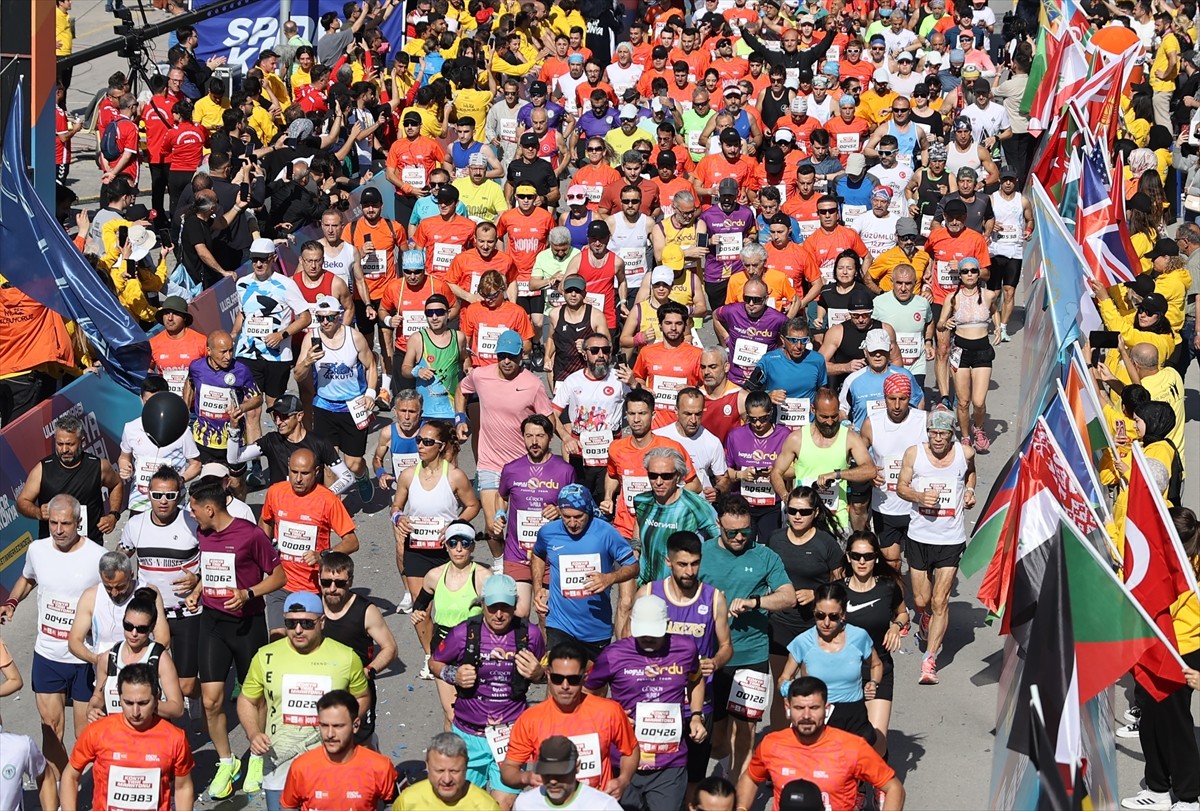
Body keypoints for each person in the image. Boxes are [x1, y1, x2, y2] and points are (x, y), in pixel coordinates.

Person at [184, 477, 284, 799]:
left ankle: (256, 754)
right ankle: (227, 762)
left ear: (210, 508)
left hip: (247, 624)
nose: (191, 513)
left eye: (194, 508)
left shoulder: (250, 535)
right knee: (211, 699)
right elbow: (212, 567)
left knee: (255, 698)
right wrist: (198, 588)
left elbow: (279, 576)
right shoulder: (203, 532)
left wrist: (247, 593)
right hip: (212, 622)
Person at [0, 495, 104, 781]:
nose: (58, 530)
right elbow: (28, 578)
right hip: (47, 654)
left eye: (65, 524)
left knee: (86, 734)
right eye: (53, 523)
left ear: (78, 523)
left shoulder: (96, 556)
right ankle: (62, 790)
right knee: (50, 727)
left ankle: (85, 782)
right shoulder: (38, 550)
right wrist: (11, 602)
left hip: (83, 656)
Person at [237, 591, 370, 807]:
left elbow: (361, 696)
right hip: (280, 757)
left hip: (329, 756)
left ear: (322, 622)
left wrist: (348, 724)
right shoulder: (265, 656)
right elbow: (247, 699)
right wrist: (253, 733)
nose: (298, 630)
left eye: (307, 624)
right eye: (291, 624)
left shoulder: (346, 657)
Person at [699, 495, 797, 780]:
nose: (740, 537)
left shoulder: (765, 556)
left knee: (746, 730)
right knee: (717, 740)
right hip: (711, 658)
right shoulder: (702, 555)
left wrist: (755, 602)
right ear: (718, 525)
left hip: (751, 656)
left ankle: (736, 794)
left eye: (746, 531)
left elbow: (788, 596)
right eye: (732, 532)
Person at [430, 572, 546, 808]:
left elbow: (550, 675)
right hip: (468, 734)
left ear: (515, 606)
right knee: (462, 804)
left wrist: (539, 675)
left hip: (511, 734)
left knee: (501, 805)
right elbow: (435, 663)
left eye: (505, 607)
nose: (499, 614)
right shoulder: (463, 633)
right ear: (482, 604)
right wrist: (454, 675)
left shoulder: (530, 635)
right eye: (493, 607)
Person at [584, 594, 705, 811]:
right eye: (643, 633)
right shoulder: (614, 654)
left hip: (670, 762)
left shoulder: (686, 649)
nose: (648, 638)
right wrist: (612, 717)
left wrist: (696, 715)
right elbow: (587, 694)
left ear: (667, 625)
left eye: (654, 633)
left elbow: (696, 680)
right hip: (622, 761)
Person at [392, 420, 481, 678]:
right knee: (421, 610)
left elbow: (472, 505)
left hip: (447, 550)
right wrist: (399, 519)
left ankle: (450, 652)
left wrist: (455, 526)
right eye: (419, 440)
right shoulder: (409, 474)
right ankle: (430, 656)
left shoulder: (453, 475)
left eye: (427, 442)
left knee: (446, 607)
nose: (420, 445)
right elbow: (396, 507)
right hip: (417, 549)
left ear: (441, 447)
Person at [457, 330, 553, 568]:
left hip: (522, 465)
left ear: (521, 355)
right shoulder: (481, 376)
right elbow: (462, 390)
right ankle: (500, 564)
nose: (507, 361)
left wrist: (566, 441)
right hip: (490, 464)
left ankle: (530, 563)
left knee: (524, 522)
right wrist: (460, 417)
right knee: (492, 524)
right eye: (502, 355)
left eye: (512, 356)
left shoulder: (533, 384)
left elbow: (548, 420)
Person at [895, 408, 976, 686]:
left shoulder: (964, 454)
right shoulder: (914, 454)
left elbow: (970, 475)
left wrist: (969, 492)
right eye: (933, 433)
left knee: (941, 600)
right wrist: (919, 496)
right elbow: (900, 487)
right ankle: (926, 617)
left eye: (942, 434)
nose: (937, 439)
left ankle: (929, 659)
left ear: (952, 434)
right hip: (919, 536)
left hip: (950, 539)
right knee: (921, 601)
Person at [737, 676, 904, 811]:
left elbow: (894, 788)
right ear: (788, 708)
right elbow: (751, 777)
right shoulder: (772, 744)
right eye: (799, 708)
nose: (806, 716)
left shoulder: (852, 747)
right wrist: (742, 808)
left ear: (826, 709)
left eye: (814, 708)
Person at [501, 642, 638, 797]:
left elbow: (630, 749)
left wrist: (623, 780)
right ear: (548, 675)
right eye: (557, 678)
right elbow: (509, 768)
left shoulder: (609, 711)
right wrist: (526, 777)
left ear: (584, 678)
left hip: (596, 803)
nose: (565, 686)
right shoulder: (530, 719)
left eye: (572, 680)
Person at [762, 486, 844, 728]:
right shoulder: (776, 539)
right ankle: (778, 745)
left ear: (816, 513)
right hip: (779, 624)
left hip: (813, 628)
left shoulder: (826, 543)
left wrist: (816, 594)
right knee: (781, 690)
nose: (797, 516)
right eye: (792, 510)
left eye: (804, 512)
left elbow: (840, 586)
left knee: (809, 694)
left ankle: (811, 743)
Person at [61, 664, 196, 811]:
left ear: (157, 698)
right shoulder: (97, 732)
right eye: (128, 703)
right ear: (119, 697)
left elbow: (183, 787)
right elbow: (70, 776)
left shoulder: (175, 738)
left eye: (143, 703)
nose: (136, 712)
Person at [531, 484, 640, 658]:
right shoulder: (548, 532)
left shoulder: (606, 532)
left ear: (588, 510)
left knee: (593, 684)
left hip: (595, 626)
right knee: (558, 680)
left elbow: (633, 567)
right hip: (559, 623)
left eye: (578, 517)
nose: (572, 523)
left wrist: (609, 578)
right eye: (566, 517)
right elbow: (537, 554)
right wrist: (537, 588)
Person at [294, 294, 380, 502]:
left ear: (339, 317)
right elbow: (297, 374)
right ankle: (332, 506)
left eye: (330, 318)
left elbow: (371, 366)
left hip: (352, 407)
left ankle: (361, 477)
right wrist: (307, 361)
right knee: (328, 463)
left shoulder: (354, 337)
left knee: (353, 463)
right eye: (321, 318)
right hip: (324, 406)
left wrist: (370, 393)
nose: (325, 323)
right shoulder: (311, 339)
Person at [777, 583, 883, 746]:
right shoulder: (803, 642)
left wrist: (873, 683)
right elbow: (784, 678)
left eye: (833, 616)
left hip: (853, 715)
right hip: (818, 715)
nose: (826, 622)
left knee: (856, 766)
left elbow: (876, 664)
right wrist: (790, 690)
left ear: (843, 615)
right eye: (820, 615)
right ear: (814, 612)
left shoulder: (858, 637)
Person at [260, 448, 359, 621]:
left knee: (306, 639)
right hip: (279, 583)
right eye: (294, 472)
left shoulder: (327, 500)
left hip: (312, 587)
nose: (298, 479)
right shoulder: (275, 492)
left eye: (305, 473)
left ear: (317, 472)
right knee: (278, 638)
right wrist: (265, 550)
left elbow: (352, 542)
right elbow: (265, 521)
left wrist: (323, 556)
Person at [412, 520, 491, 730]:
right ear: (445, 545)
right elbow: (420, 605)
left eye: (464, 543)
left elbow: (500, 613)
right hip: (444, 649)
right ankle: (451, 760)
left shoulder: (483, 577)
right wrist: (418, 616)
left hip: (474, 648)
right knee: (451, 713)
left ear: (472, 546)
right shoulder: (434, 576)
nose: (458, 549)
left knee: (474, 710)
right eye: (453, 542)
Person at [494, 416, 575, 616]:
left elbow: (575, 509)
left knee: (544, 613)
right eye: (529, 436)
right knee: (518, 614)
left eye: (540, 436)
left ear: (550, 438)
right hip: (517, 553)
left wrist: (559, 511)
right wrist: (499, 514)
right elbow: (501, 496)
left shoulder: (565, 471)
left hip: (551, 555)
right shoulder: (511, 469)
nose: (534, 441)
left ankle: (545, 649)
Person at [771, 387, 877, 532]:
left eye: (834, 416)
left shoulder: (849, 437)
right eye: (824, 417)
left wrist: (837, 474)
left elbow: (870, 470)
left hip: (836, 519)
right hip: (802, 519)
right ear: (813, 410)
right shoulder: (797, 438)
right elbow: (776, 472)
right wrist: (785, 496)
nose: (830, 422)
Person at [843, 531, 909, 755]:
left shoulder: (888, 588)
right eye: (857, 556)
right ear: (848, 557)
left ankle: (880, 783)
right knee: (849, 740)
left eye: (868, 556)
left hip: (879, 669)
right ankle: (858, 787)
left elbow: (902, 614)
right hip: (843, 673)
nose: (862, 561)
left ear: (877, 558)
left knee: (876, 740)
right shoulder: (836, 591)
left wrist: (896, 626)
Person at [279, 689, 399, 810]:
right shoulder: (301, 767)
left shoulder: (380, 767)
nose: (330, 734)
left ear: (355, 725)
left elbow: (396, 804)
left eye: (338, 726)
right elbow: (289, 807)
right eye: (324, 725)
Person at [17, 413, 124, 544]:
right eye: (60, 444)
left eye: (70, 444)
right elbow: (23, 501)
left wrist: (113, 515)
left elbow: (117, 484)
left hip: (89, 545)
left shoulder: (98, 466)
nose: (64, 449)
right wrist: (38, 512)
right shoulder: (42, 469)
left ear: (82, 442)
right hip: (53, 547)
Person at [183, 330, 262, 499]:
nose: (228, 356)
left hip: (233, 440)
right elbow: (189, 383)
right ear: (209, 351)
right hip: (204, 439)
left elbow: (257, 398)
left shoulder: (241, 370)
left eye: (231, 351)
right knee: (209, 485)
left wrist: (242, 407)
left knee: (236, 484)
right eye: (223, 352)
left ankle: (242, 517)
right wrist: (184, 407)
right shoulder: (196, 367)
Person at [862, 374, 929, 570]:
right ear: (885, 398)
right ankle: (898, 601)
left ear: (910, 398)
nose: (897, 405)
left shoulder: (923, 420)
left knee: (920, 563)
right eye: (892, 399)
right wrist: (870, 472)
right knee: (891, 562)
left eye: (903, 399)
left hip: (916, 505)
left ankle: (920, 599)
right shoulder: (872, 423)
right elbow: (857, 456)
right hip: (885, 506)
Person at [85, 592, 185, 721]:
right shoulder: (109, 658)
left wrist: (147, 704)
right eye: (128, 626)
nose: (134, 633)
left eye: (141, 629)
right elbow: (98, 697)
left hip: (150, 735)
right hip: (117, 734)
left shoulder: (160, 659)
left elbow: (177, 708)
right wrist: (91, 708)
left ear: (151, 628)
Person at [228, 393, 352, 492]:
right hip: (280, 510)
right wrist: (233, 429)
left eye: (283, 416)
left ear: (299, 416)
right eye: (275, 416)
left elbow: (347, 477)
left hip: (308, 511)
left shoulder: (320, 443)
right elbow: (235, 458)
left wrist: (326, 497)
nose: (278, 422)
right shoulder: (271, 441)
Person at [634, 445, 721, 587]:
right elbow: (638, 522)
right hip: (647, 585)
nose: (659, 481)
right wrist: (635, 548)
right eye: (653, 475)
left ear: (678, 476)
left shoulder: (695, 504)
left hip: (681, 587)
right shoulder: (641, 501)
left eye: (666, 476)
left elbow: (719, 540)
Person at [937, 257, 1000, 450]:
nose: (970, 274)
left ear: (978, 273)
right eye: (965, 271)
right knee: (963, 402)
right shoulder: (952, 298)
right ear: (960, 275)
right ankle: (965, 436)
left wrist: (998, 327)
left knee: (978, 401)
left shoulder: (989, 295)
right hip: (961, 352)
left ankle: (978, 427)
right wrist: (944, 324)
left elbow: (994, 310)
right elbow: (940, 323)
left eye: (973, 271)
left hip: (982, 351)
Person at [752, 316, 829, 428]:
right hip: (778, 427)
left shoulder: (817, 360)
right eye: (793, 340)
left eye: (803, 341)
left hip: (808, 427)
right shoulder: (768, 360)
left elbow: (822, 391)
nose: (799, 346)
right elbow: (748, 392)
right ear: (783, 340)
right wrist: (767, 396)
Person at [396, 732, 502, 810]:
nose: (447, 780)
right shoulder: (407, 801)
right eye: (439, 771)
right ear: (428, 766)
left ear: (466, 766)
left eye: (454, 771)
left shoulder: (487, 807)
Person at [513, 736, 624, 810]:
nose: (553, 781)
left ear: (577, 767)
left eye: (560, 774)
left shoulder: (603, 806)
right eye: (547, 774)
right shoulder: (524, 803)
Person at [149, 296, 208, 396]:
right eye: (166, 313)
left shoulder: (201, 341)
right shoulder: (153, 343)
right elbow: (148, 370)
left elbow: (214, 369)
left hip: (195, 405)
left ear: (184, 317)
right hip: (166, 402)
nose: (170, 318)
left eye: (175, 314)